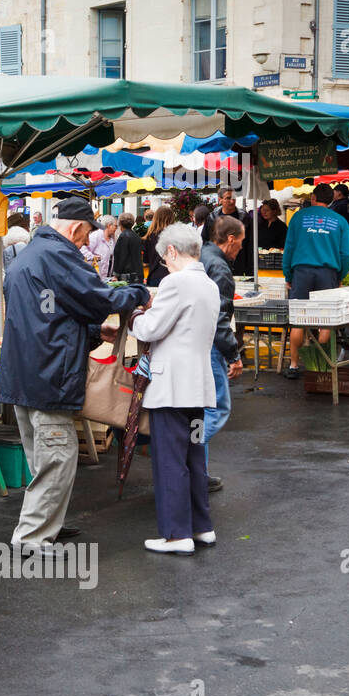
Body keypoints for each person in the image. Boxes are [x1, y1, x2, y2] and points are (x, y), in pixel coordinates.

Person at [0, 199, 151, 553]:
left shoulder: (32, 253)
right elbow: (98, 297)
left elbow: (52, 312)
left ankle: (46, 525)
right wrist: (139, 293)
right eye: (86, 235)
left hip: (24, 373)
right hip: (47, 375)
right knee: (58, 454)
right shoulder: (57, 255)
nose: (87, 243)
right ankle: (32, 540)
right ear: (76, 227)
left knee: (43, 458)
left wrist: (93, 330)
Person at [127, 224, 221, 556]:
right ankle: (201, 526)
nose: (164, 265)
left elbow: (151, 328)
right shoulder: (208, 284)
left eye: (164, 258)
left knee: (169, 460)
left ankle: (176, 534)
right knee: (193, 457)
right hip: (198, 385)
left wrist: (135, 314)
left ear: (171, 251)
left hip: (172, 387)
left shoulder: (175, 282)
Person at [283, 183, 349, 378]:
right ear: (331, 199)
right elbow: (348, 254)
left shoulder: (298, 217)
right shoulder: (340, 221)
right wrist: (340, 275)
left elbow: (288, 249)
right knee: (325, 321)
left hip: (301, 272)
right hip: (327, 273)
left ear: (314, 198)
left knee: (298, 320)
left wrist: (288, 275)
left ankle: (294, 366)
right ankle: (320, 364)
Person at [200, 215, 246, 493]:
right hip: (210, 346)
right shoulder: (219, 267)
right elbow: (218, 318)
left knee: (203, 408)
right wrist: (234, 355)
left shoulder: (201, 255)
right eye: (240, 243)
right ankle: (186, 464)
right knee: (216, 408)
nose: (241, 248)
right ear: (230, 240)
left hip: (194, 343)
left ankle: (196, 472)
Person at [216, 189, 253, 276]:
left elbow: (250, 244)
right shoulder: (213, 217)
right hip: (218, 264)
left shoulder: (244, 217)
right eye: (228, 198)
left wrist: (250, 270)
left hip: (239, 264)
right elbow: (206, 242)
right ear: (220, 200)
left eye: (234, 198)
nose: (232, 201)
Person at [143, 206, 177, 286]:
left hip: (154, 276)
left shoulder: (149, 236)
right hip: (171, 275)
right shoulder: (175, 235)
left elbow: (145, 261)